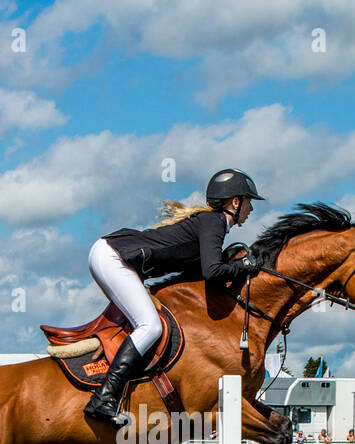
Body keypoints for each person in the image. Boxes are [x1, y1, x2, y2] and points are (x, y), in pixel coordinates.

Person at [82, 168, 265, 425]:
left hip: (111, 254)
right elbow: (212, 272)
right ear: (235, 202)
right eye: (249, 202)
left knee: (145, 323)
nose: (251, 209)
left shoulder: (209, 224)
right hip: (113, 257)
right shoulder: (214, 222)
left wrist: (231, 265)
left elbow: (199, 273)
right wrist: (244, 268)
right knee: (150, 326)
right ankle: (104, 397)